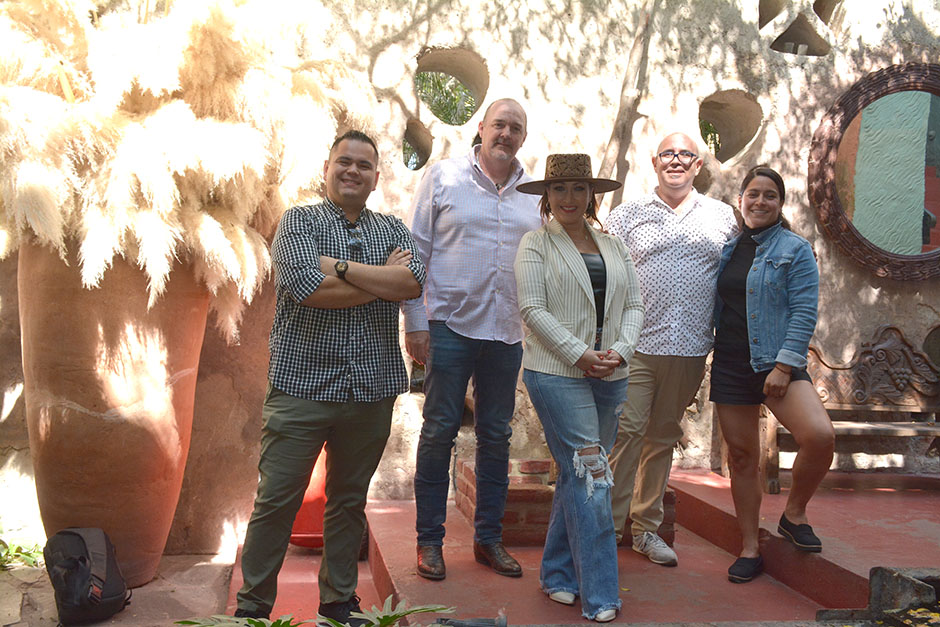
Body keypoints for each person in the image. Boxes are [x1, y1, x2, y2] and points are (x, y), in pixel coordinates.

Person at [234, 130, 426, 622]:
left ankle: (338, 603)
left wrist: (338, 267)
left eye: (364, 165)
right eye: (345, 161)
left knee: (348, 501)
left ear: (376, 177)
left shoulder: (393, 229)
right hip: (301, 388)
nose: (352, 171)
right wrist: (378, 279)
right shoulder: (299, 221)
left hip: (370, 390)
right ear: (327, 168)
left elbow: (411, 282)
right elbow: (307, 288)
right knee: (276, 501)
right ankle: (252, 609)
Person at [402, 98, 542, 580]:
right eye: (499, 125)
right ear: (481, 128)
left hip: (506, 332)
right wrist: (414, 320)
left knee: (496, 436)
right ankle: (429, 542)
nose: (506, 134)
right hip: (449, 327)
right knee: (439, 431)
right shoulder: (443, 177)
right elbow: (416, 251)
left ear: (523, 138)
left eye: (515, 128)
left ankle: (488, 539)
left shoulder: (533, 194)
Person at [514, 154, 644, 622]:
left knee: (577, 475)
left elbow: (634, 305)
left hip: (612, 373)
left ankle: (557, 574)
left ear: (591, 194)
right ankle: (601, 594)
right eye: (559, 188)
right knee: (592, 473)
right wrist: (580, 353)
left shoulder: (614, 245)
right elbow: (532, 309)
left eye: (578, 188)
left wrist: (620, 352)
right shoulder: (536, 243)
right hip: (557, 372)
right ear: (547, 196)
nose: (568, 198)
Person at [606, 132, 738, 567]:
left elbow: (741, 272)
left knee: (662, 436)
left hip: (691, 347)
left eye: (685, 155)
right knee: (627, 432)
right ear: (655, 162)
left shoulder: (722, 218)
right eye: (668, 154)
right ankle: (608, 530)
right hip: (636, 344)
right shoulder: (627, 215)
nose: (676, 161)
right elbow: (606, 275)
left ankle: (645, 530)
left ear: (698, 165)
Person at [711, 166, 835, 583]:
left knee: (819, 435)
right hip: (730, 363)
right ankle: (749, 547)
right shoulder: (728, 249)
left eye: (770, 195)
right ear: (741, 200)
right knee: (742, 457)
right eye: (753, 194)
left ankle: (794, 513)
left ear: (781, 204)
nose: (760, 201)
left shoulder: (795, 249)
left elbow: (804, 312)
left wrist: (784, 366)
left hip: (775, 362)